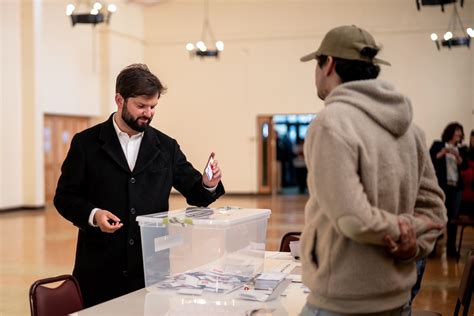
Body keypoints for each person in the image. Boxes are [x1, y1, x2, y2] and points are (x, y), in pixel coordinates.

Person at [298, 25, 446, 315]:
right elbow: (436, 215)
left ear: (328, 63)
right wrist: (412, 242)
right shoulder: (411, 130)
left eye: (317, 64)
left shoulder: (331, 122)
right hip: (398, 299)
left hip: (342, 302)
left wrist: (402, 229)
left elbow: (353, 218)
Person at [54, 63, 225, 307]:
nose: (148, 113)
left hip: (151, 268)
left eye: (153, 106)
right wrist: (94, 214)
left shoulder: (166, 147)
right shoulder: (86, 144)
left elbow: (196, 192)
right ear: (119, 100)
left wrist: (208, 184)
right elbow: (64, 197)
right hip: (99, 269)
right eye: (141, 106)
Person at [429, 122, 468, 258]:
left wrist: (458, 157)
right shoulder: (438, 144)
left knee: (453, 220)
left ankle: (451, 249)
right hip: (442, 187)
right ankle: (432, 249)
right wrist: (443, 153)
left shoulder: (462, 149)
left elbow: (464, 167)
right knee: (438, 217)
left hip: (456, 189)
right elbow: (430, 161)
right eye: (457, 131)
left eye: (461, 132)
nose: (459, 134)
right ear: (451, 132)